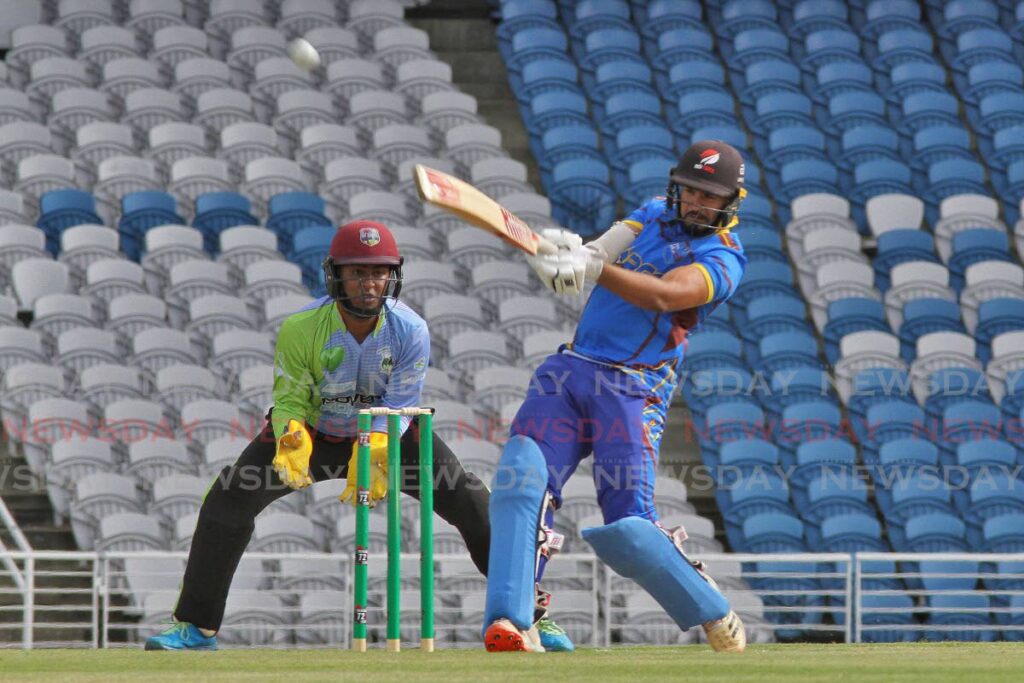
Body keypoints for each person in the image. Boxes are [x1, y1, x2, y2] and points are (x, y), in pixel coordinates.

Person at [145, 220, 573, 651]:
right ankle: (196, 627)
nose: (370, 283)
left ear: (392, 275)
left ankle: (530, 616)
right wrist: (292, 437)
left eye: (379, 272)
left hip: (391, 430)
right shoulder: (301, 328)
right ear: (337, 275)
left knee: (474, 502)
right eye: (358, 273)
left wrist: (379, 452)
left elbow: (402, 403)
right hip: (314, 432)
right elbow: (290, 399)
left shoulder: (410, 330)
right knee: (228, 499)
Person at [483, 141, 750, 653]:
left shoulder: (724, 259)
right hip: (572, 368)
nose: (695, 201)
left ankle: (710, 606)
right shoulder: (651, 213)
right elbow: (600, 250)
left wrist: (593, 269)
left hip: (632, 387)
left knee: (628, 526)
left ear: (730, 201)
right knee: (520, 480)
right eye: (690, 189)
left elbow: (667, 295)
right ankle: (515, 620)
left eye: (708, 196)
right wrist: (567, 258)